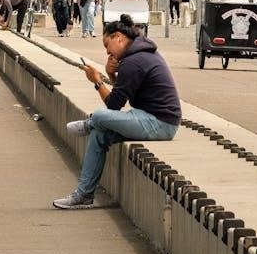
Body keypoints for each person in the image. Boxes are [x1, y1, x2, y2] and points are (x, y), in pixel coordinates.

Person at [52, 14, 182, 209]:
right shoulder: (139, 54)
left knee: (100, 116)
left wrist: (97, 81)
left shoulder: (134, 61)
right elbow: (121, 98)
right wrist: (111, 74)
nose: (107, 52)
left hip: (159, 123)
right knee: (99, 134)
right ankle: (84, 195)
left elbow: (113, 105)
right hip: (149, 117)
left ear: (118, 37)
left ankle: (89, 123)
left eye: (107, 45)